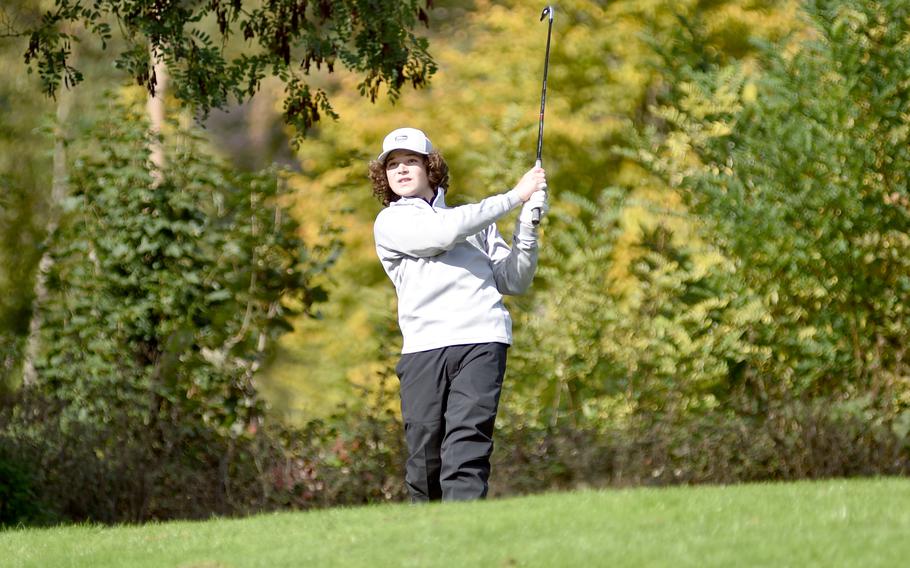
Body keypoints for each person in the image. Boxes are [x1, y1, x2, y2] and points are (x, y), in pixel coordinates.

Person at [369, 127, 548, 502]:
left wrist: (527, 227)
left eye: (411, 162)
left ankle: (463, 529)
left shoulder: (476, 225)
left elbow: (512, 280)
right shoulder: (392, 222)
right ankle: (428, 534)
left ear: (430, 168)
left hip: (482, 338)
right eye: (393, 165)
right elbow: (440, 235)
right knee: (424, 453)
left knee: (468, 439)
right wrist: (515, 195)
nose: (401, 171)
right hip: (424, 347)